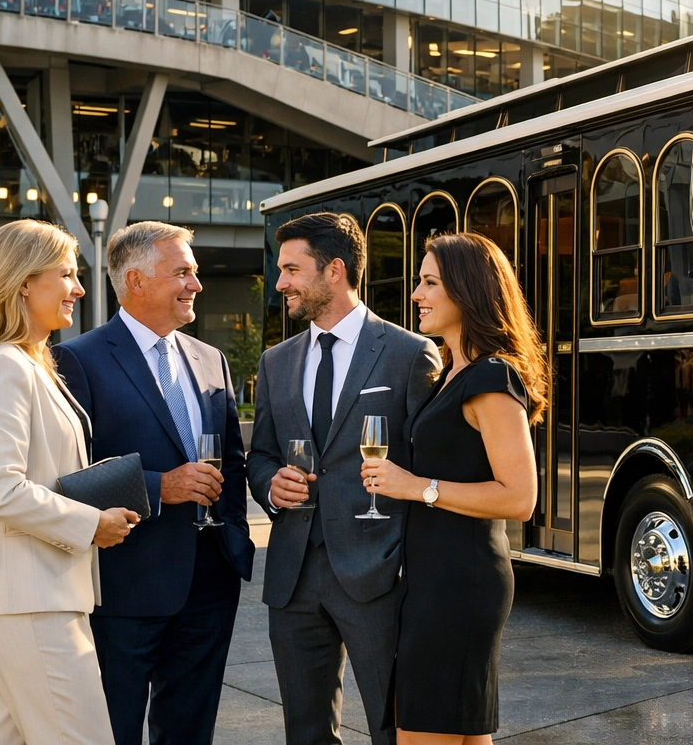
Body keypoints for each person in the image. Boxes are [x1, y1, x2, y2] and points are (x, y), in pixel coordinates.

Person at [53, 222, 254, 745]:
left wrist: (235, 536)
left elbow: (231, 463)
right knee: (113, 728)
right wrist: (156, 486)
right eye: (182, 272)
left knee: (190, 730)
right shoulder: (79, 360)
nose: (196, 284)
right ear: (136, 281)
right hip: (126, 583)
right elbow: (67, 478)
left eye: (196, 272)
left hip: (210, 581)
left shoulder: (212, 359)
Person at [247, 213, 443, 745]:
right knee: (305, 733)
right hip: (292, 576)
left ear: (334, 270)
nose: (281, 281)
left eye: (291, 269)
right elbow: (260, 454)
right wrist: (269, 484)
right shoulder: (276, 362)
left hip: (379, 573)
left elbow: (434, 463)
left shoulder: (408, 354)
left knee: (395, 727)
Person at [0, 220, 138, 745]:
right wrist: (90, 521)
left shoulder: (32, 362)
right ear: (23, 282)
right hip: (29, 599)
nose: (79, 289)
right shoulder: (4, 364)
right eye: (68, 275)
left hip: (35, 594)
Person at [360, 233, 543, 743]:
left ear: (468, 291)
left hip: (458, 586)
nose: (416, 294)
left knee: (425, 730)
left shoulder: (491, 378)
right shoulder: (451, 372)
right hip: (435, 582)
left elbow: (519, 498)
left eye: (429, 282)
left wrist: (415, 486)